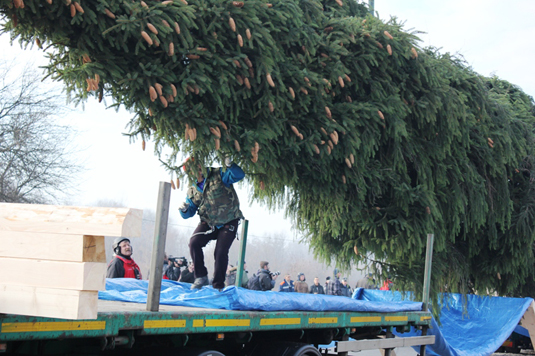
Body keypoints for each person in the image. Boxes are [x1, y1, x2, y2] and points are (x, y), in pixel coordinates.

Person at [178, 157, 245, 290]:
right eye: (192, 171)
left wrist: (230, 165)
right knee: (194, 242)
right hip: (209, 222)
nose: (196, 173)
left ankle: (218, 285)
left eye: (198, 168)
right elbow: (190, 210)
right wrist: (184, 210)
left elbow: (238, 175)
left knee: (220, 251)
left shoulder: (218, 174)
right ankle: (201, 276)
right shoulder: (193, 189)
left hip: (228, 219)